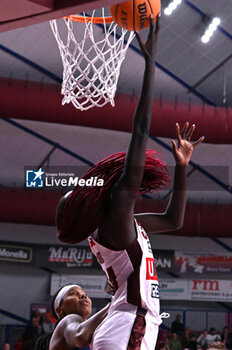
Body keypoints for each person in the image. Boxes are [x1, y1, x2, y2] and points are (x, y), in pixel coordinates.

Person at [56, 16, 204, 350]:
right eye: (79, 195)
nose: (86, 189)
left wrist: (181, 167)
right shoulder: (115, 223)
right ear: (84, 208)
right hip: (128, 325)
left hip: (125, 325)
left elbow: (172, 220)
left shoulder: (119, 227)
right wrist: (150, 65)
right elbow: (139, 134)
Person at [35, 284, 110, 350]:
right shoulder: (67, 320)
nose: (83, 295)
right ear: (60, 310)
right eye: (73, 293)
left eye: (85, 293)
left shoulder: (94, 331)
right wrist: (112, 306)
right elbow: (80, 336)